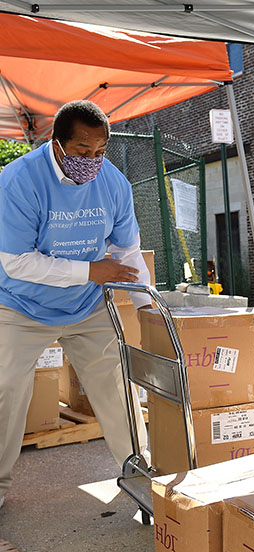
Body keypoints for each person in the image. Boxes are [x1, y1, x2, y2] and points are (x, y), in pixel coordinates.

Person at [0, 100, 150, 510]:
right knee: (6, 390)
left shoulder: (114, 184)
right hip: (21, 307)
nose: (92, 161)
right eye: (83, 151)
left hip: (87, 307)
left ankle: (142, 481)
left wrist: (148, 308)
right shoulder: (17, 181)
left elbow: (127, 253)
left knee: (119, 389)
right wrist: (88, 271)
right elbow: (15, 261)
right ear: (57, 142)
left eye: (100, 151)